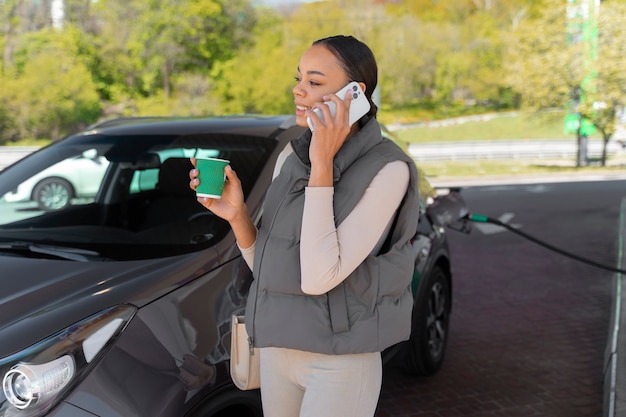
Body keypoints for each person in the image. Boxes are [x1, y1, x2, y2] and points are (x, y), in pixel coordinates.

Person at [189, 35, 420, 417]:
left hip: (340, 361)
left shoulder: (389, 169)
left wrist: (323, 165)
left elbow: (317, 277)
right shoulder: (291, 157)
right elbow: (271, 271)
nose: (298, 91)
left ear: (354, 93)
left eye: (314, 82)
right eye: (298, 79)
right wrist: (238, 216)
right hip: (278, 350)